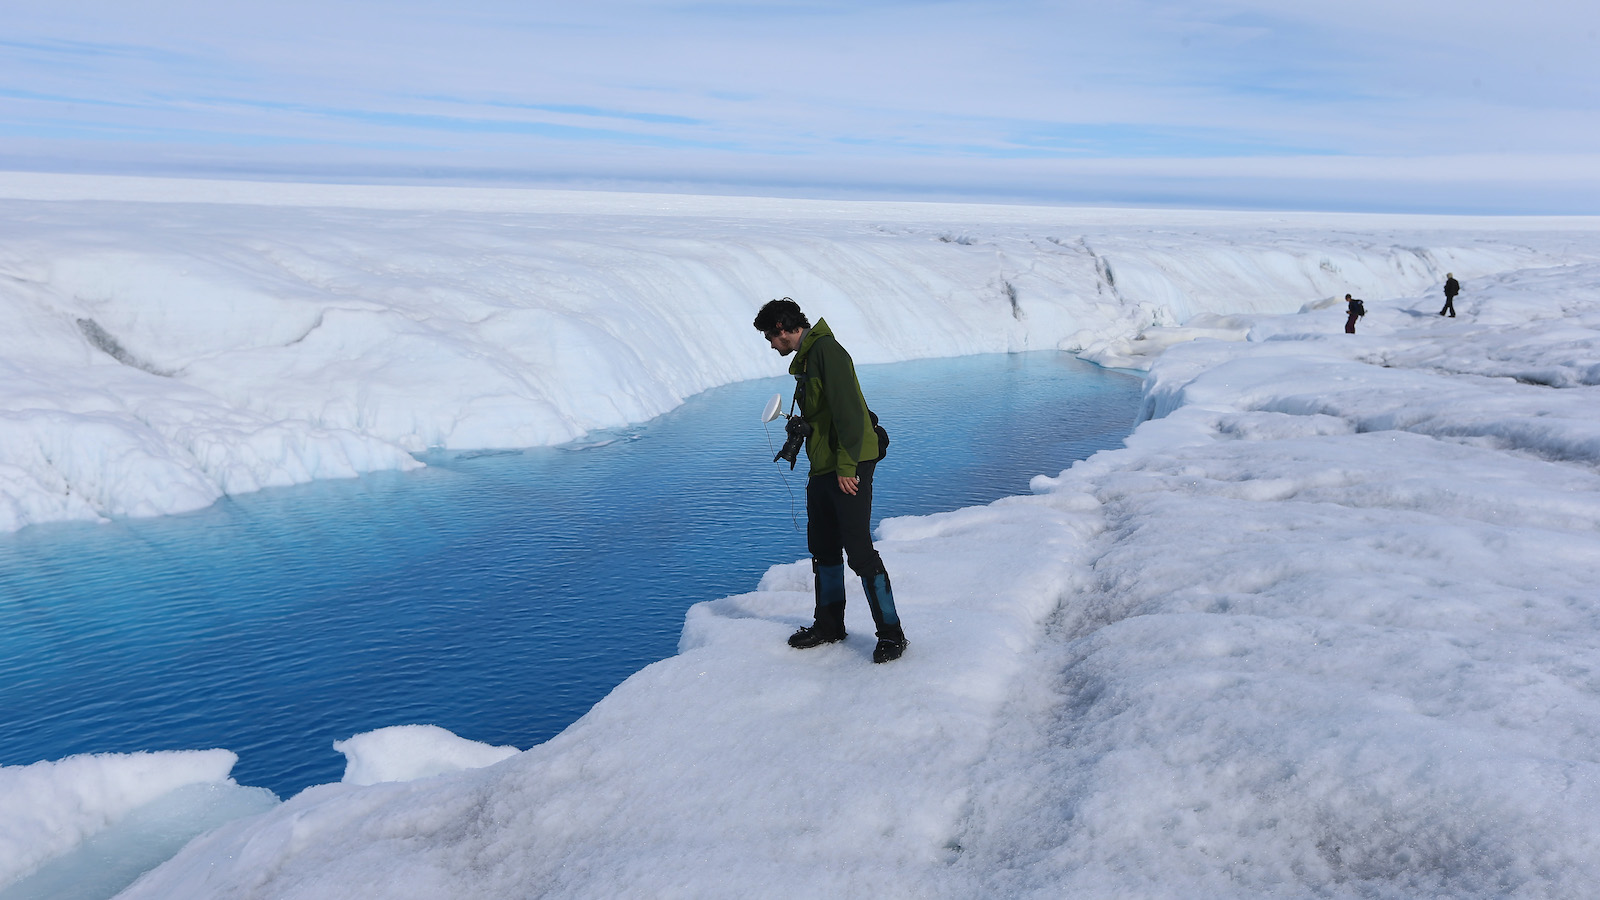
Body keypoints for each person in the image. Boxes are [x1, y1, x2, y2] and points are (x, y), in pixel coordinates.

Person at [753, 298, 908, 664]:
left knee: (859, 551)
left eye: (769, 338)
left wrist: (847, 467)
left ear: (783, 329)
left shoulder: (827, 352)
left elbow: (850, 413)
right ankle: (829, 625)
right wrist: (805, 427)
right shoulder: (808, 357)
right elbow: (826, 411)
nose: (771, 345)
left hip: (848, 462)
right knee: (822, 545)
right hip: (825, 463)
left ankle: (891, 635)